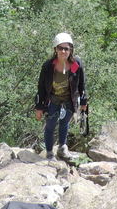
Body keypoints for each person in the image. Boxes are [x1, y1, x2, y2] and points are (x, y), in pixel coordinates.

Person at [34, 32, 88, 160]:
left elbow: (82, 84)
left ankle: (62, 148)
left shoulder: (76, 64)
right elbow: (41, 87)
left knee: (64, 124)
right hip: (52, 100)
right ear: (55, 49)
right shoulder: (48, 66)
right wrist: (39, 107)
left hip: (70, 100)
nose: (63, 51)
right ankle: (49, 152)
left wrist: (84, 102)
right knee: (50, 125)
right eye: (60, 48)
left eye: (66, 48)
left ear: (71, 50)